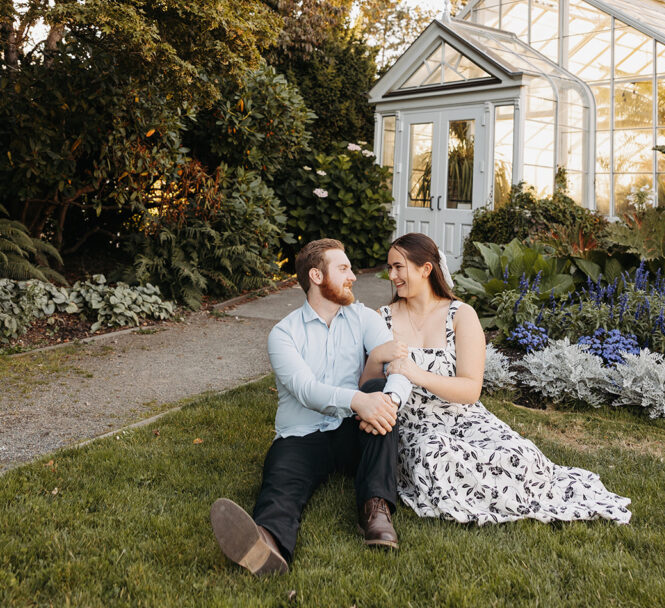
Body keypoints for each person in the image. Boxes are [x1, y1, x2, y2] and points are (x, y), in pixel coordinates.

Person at [362, 232, 631, 526]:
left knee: (521, 454)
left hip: (464, 415)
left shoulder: (461, 315)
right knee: (436, 455)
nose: (392, 275)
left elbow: (470, 389)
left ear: (425, 269)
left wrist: (417, 374)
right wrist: (377, 359)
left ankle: (515, 492)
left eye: (398, 267)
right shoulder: (383, 317)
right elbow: (366, 388)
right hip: (416, 424)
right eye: (390, 268)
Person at [210, 238, 413, 575]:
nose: (353, 277)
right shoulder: (283, 334)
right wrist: (358, 400)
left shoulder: (363, 318)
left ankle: (375, 512)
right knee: (282, 480)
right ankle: (267, 543)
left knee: (380, 393)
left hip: (353, 430)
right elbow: (305, 390)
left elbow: (399, 366)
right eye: (344, 269)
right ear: (317, 276)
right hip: (301, 435)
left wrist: (388, 401)